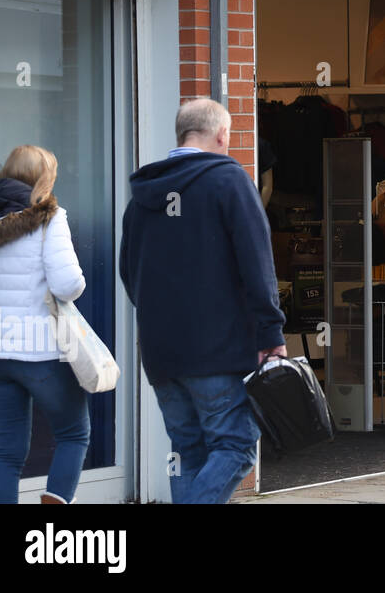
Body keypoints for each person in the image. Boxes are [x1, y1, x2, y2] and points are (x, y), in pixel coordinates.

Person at [119, 98, 286, 504]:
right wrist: (271, 332)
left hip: (161, 354)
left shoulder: (143, 194)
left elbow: (128, 271)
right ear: (222, 134)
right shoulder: (229, 181)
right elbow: (257, 263)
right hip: (218, 350)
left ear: (181, 133)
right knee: (237, 445)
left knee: (186, 451)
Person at [0, 145, 89, 504]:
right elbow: (67, 284)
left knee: (8, 454)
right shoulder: (49, 218)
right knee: (74, 434)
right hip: (40, 351)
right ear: (42, 179)